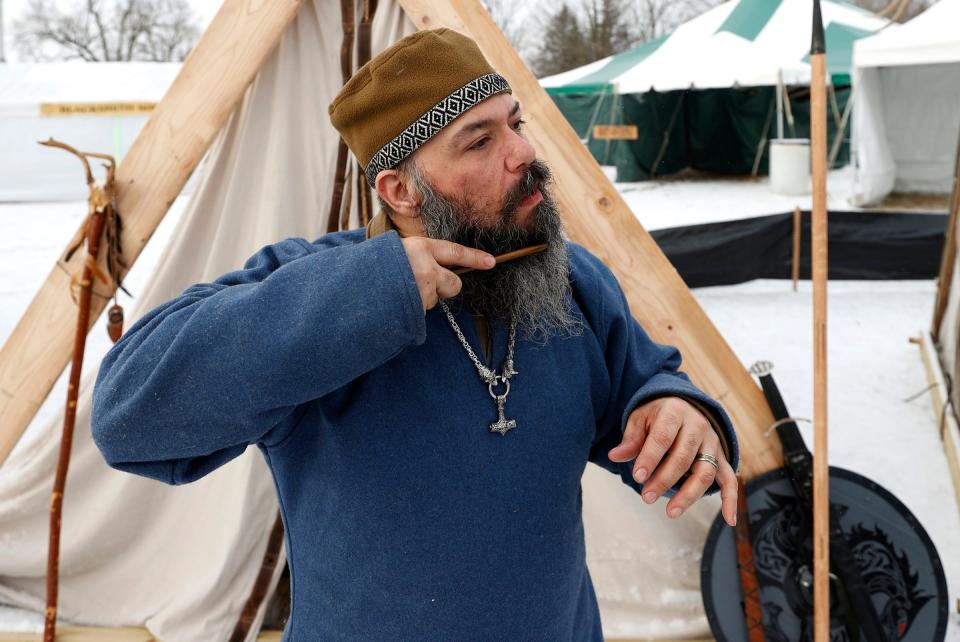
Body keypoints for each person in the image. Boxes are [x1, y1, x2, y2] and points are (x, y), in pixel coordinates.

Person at [92, 28, 740, 641]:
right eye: (478, 141)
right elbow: (129, 417)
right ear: (399, 189)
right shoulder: (316, 286)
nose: (524, 152)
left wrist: (674, 406)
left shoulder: (567, 280)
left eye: (515, 123)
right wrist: (368, 294)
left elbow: (646, 384)